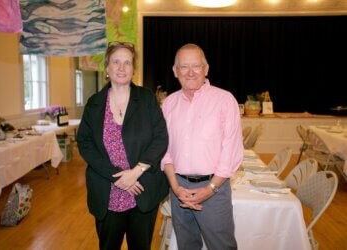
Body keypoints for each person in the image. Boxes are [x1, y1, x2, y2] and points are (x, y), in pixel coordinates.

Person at [76, 41, 169, 250]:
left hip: (142, 188)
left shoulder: (146, 98)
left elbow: (161, 137)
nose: (121, 67)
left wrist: (136, 171)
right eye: (116, 62)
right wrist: (117, 176)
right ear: (107, 68)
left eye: (127, 62)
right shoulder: (95, 103)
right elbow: (85, 142)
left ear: (133, 69)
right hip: (107, 190)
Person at [161, 43, 243, 250]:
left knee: (222, 246)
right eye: (183, 67)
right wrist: (175, 187)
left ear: (206, 69)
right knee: (186, 246)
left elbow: (231, 151)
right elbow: (164, 150)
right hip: (179, 188)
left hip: (214, 189)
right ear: (174, 71)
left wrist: (210, 189)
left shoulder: (225, 100)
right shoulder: (169, 104)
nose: (190, 73)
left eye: (196, 66)